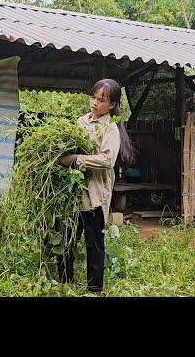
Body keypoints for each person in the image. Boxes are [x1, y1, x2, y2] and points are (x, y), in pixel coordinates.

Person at [57, 78, 135, 296]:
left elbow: (107, 160)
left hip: (94, 195)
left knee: (94, 243)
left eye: (101, 100)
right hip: (72, 193)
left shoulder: (110, 128)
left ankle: (95, 290)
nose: (94, 103)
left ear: (111, 105)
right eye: (93, 97)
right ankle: (65, 281)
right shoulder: (80, 122)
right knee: (66, 239)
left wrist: (76, 158)